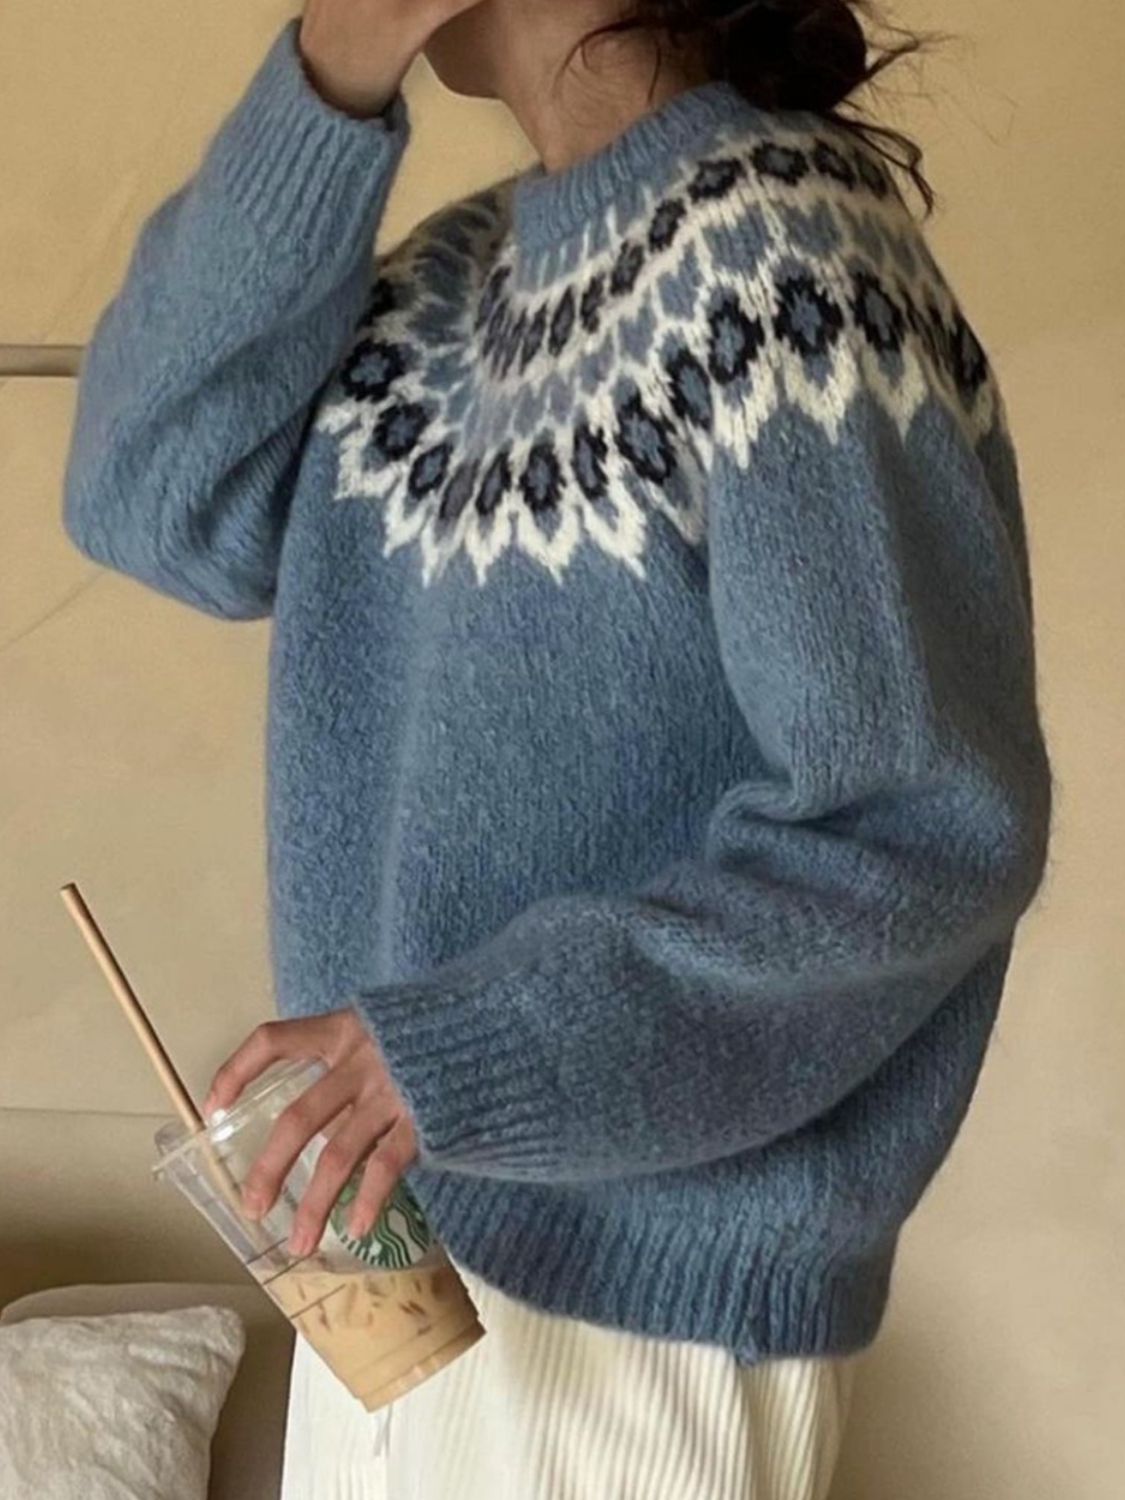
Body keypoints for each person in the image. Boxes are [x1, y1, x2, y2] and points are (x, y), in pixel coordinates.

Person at [62, 0, 1054, 1491]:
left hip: (636, 1331)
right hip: (397, 1268)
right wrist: (331, 73)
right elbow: (146, 499)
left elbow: (916, 828)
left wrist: (457, 1058)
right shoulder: (458, 281)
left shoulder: (783, 261)